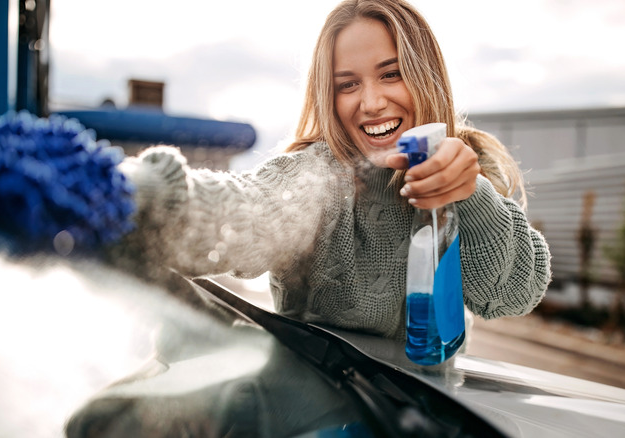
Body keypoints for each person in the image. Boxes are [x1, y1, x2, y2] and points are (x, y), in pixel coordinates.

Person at [114, 0, 551, 340]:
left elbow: (511, 296)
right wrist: (131, 193)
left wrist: (469, 193)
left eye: (391, 74)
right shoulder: (315, 180)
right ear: (328, 95)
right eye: (348, 84)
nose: (372, 101)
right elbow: (243, 208)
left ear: (426, 75)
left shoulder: (475, 171)